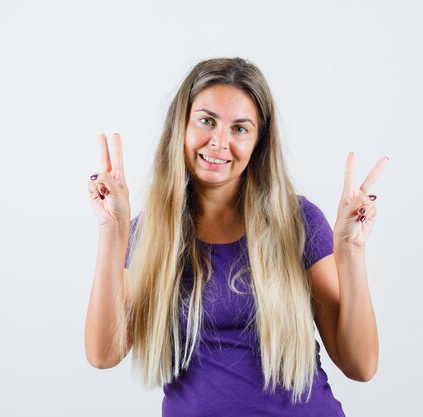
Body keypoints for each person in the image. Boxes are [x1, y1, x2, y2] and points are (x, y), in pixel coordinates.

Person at [85, 57, 388, 416]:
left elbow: (361, 365)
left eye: (240, 129)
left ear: (258, 142)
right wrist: (112, 233)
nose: (219, 142)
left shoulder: (298, 221)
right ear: (181, 125)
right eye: (207, 121)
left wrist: (351, 252)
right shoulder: (148, 234)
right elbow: (103, 354)